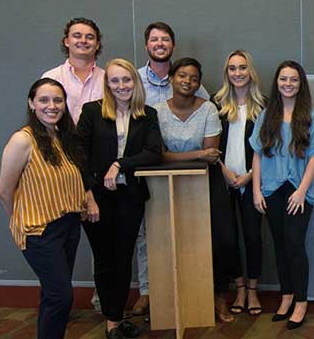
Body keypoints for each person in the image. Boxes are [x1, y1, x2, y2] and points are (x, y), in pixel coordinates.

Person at [0, 78, 100, 339]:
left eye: (57, 100)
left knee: (52, 294)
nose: (51, 106)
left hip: (67, 226)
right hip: (38, 230)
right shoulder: (23, 140)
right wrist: (17, 222)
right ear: (31, 104)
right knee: (61, 296)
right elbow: (4, 190)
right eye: (43, 100)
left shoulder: (63, 138)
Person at [76, 58, 162, 338]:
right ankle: (111, 320)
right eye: (115, 80)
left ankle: (116, 316)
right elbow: (79, 157)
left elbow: (153, 153)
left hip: (130, 196)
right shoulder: (91, 112)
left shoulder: (146, 114)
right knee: (104, 259)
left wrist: (120, 164)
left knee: (124, 258)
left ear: (134, 83)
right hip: (96, 197)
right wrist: (89, 195)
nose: (121, 86)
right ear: (107, 84)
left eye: (126, 80)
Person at [132, 22, 210, 314]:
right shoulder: (136, 80)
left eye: (165, 39)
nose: (160, 43)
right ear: (147, 45)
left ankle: (189, 289)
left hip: (190, 177)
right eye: (154, 39)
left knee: (189, 232)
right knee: (147, 232)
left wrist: (200, 154)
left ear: (173, 45)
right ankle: (149, 290)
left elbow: (204, 118)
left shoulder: (194, 82)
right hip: (146, 167)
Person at [154, 57, 237, 323]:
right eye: (182, 76)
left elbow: (212, 155)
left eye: (193, 78)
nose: (187, 81)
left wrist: (184, 155)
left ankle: (219, 298)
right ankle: (177, 302)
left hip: (207, 181)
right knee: (173, 243)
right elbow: (156, 155)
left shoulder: (209, 109)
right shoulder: (155, 111)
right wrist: (197, 153)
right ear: (171, 78)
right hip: (165, 184)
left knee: (223, 240)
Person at [250, 60, 314, 330]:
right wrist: (256, 190)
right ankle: (286, 296)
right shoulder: (266, 115)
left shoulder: (312, 116)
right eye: (283, 79)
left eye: (293, 79)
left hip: (299, 192)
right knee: (280, 245)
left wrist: (301, 191)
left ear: (301, 84)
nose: (288, 84)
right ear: (277, 82)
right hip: (271, 189)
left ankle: (302, 301)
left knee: (295, 245)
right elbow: (257, 154)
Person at [214, 50, 266, 316]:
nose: (237, 73)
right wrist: (224, 171)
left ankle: (254, 290)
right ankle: (239, 288)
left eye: (242, 67)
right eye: (232, 68)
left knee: (253, 238)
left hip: (251, 180)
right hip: (223, 180)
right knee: (228, 240)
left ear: (250, 71)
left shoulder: (264, 106)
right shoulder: (217, 104)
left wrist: (249, 175)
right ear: (227, 73)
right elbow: (210, 144)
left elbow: (269, 149)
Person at [42, 17, 105, 123]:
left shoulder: (108, 80)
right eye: (77, 36)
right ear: (66, 41)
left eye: (89, 37)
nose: (83, 41)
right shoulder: (51, 77)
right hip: (59, 138)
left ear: (97, 45)